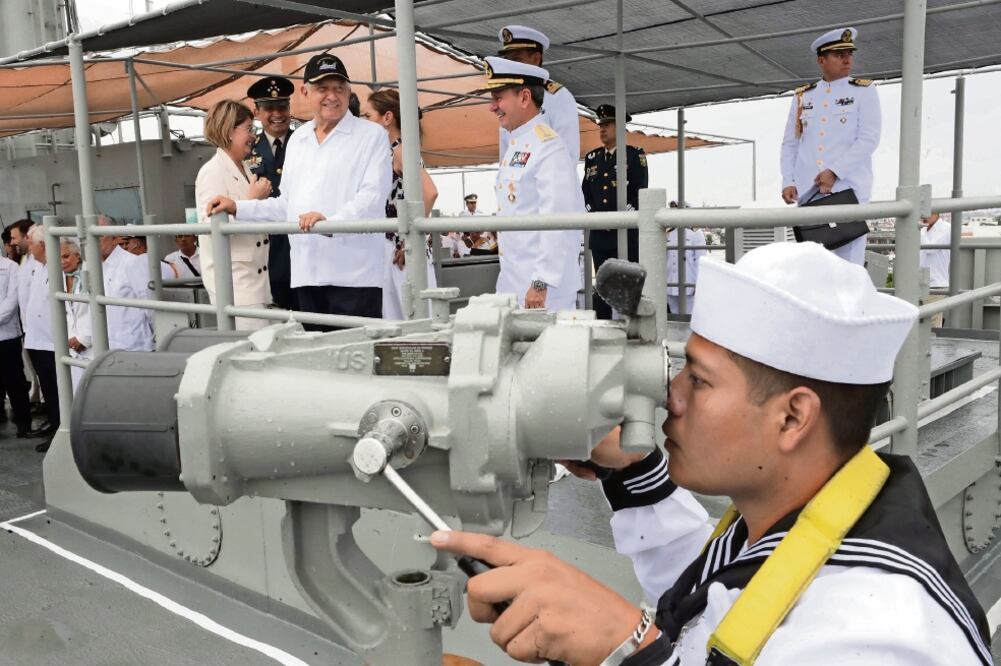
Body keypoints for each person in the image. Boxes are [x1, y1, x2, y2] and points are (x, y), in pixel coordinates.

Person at [432, 241, 990, 666]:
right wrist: (632, 470)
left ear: (792, 418)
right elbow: (724, 604)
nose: (669, 398)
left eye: (698, 381)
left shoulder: (884, 633)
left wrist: (630, 643)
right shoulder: (811, 516)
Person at [207, 54, 391, 330]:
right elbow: (286, 206)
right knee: (313, 366)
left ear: (350, 91)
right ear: (306, 92)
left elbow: (373, 198)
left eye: (339, 88)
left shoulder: (371, 135)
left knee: (356, 363)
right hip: (307, 274)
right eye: (322, 88)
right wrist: (237, 207)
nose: (332, 96)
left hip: (354, 275)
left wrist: (332, 223)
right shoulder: (300, 140)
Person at [476, 57, 583, 311]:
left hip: (543, 292)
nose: (493, 107)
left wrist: (540, 282)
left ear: (524, 98)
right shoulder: (518, 144)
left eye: (499, 97)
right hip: (514, 283)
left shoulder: (548, 148)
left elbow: (557, 220)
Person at [780, 27, 880, 266]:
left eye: (849, 53)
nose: (847, 59)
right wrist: (788, 180)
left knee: (849, 267)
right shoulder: (803, 96)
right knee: (815, 266)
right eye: (839, 54)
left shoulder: (863, 91)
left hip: (848, 190)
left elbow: (869, 138)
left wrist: (834, 171)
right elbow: (791, 142)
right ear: (821, 60)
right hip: (809, 193)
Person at [360, 89, 439, 320]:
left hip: (401, 252)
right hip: (393, 250)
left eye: (368, 116)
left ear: (387, 118)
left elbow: (430, 192)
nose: (365, 122)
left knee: (413, 324)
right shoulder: (390, 150)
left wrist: (408, 238)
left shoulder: (401, 150)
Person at [194, 100, 273, 331]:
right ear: (230, 131)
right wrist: (252, 200)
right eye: (249, 129)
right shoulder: (212, 171)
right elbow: (212, 227)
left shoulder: (244, 168)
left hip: (256, 283)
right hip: (236, 286)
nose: (254, 136)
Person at [583, 103, 649, 318]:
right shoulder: (592, 158)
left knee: (627, 287)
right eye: (600, 125)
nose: (602, 129)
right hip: (600, 234)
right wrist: (595, 216)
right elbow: (586, 191)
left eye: (608, 124)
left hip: (625, 233)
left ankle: (633, 330)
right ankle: (603, 329)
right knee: (602, 286)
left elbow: (639, 190)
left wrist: (621, 219)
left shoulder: (634, 155)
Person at [246, 76, 298, 311]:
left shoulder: (306, 143)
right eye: (269, 108)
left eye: (282, 107)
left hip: (302, 246)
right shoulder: (248, 149)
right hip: (267, 255)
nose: (277, 113)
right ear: (256, 111)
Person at [497, 25, 580, 165]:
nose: (510, 66)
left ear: (536, 59)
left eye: (516, 60)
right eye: (507, 60)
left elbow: (567, 157)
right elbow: (505, 156)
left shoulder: (558, 97)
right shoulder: (508, 99)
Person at [22, 225, 58, 451]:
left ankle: (59, 431)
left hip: (52, 342)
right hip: (37, 340)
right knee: (48, 388)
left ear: (43, 246)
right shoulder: (37, 266)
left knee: (57, 391)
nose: (29, 247)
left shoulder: (57, 268)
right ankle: (55, 426)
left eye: (32, 243)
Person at [96, 215, 155, 351]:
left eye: (99, 236)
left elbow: (150, 306)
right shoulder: (93, 266)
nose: (93, 241)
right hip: (104, 346)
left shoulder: (132, 263)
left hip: (134, 346)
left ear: (115, 237)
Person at [0, 248, 33, 438]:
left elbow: (12, 301)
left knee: (15, 382)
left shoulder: (10, 267)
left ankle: (23, 423)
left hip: (7, 335)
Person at [60, 238, 91, 389]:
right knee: (76, 396)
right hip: (71, 348)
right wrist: (69, 338)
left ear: (78, 256)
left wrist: (84, 338)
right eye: (58, 257)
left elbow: (101, 310)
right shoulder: (58, 278)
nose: (62, 261)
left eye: (66, 256)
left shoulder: (92, 273)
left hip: (93, 345)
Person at [919, 212, 952, 328]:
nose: (924, 215)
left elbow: (931, 249)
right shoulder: (923, 229)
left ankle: (933, 347)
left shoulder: (946, 228)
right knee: (920, 323)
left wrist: (919, 230)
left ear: (937, 213)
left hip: (936, 283)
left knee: (932, 324)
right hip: (920, 282)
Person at [665, 226, 706, 315]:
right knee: (674, 317)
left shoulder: (696, 233)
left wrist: (699, 284)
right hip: (670, 284)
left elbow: (701, 261)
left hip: (689, 284)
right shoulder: (668, 233)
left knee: (689, 317)